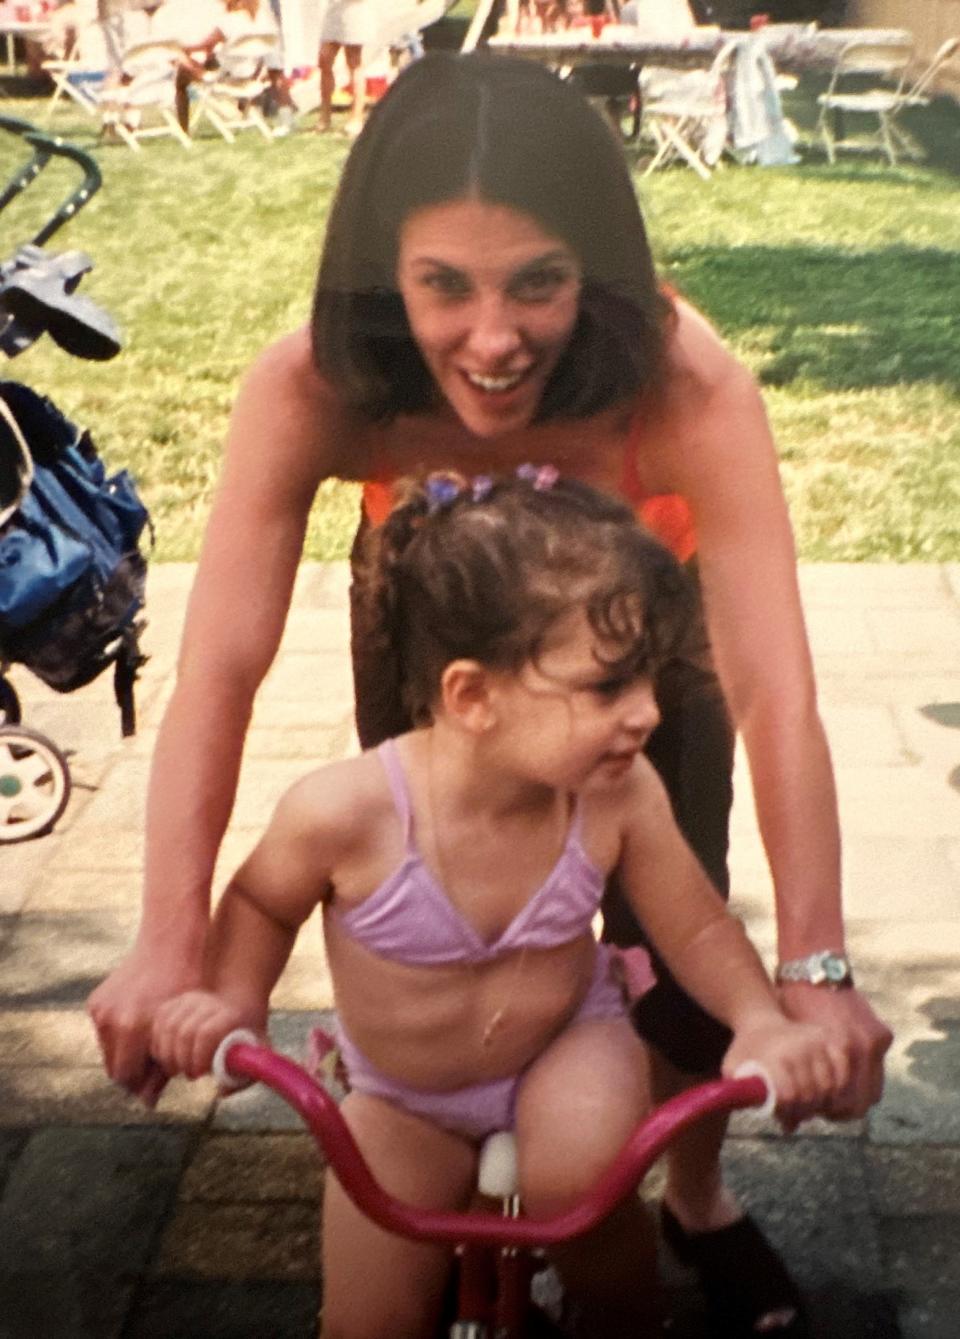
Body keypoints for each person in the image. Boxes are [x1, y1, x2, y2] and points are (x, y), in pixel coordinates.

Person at [88, 50, 892, 1339]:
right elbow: (218, 676)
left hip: (641, 622)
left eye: (540, 283)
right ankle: (441, 1110)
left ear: (601, 276)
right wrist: (170, 945)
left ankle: (692, 1192)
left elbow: (774, 687)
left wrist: (817, 966)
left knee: (681, 947)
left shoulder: (685, 383)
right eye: (441, 288)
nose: (493, 338)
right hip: (442, 610)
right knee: (441, 863)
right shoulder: (313, 384)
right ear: (382, 276)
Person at [149, 470, 852, 1339]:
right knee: (367, 1320)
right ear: (472, 697)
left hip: (564, 1043)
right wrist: (229, 999)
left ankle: (627, 1316)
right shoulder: (345, 812)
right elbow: (259, 903)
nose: (647, 713)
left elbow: (697, 923)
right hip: (401, 1092)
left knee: (581, 1190)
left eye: (650, 681)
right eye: (608, 687)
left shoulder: (617, 796)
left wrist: (759, 1017)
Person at [317, 0, 377, 136]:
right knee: (324, 59)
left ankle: (356, 117)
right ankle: (325, 115)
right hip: (334, 10)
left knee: (354, 61)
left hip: (354, 9)